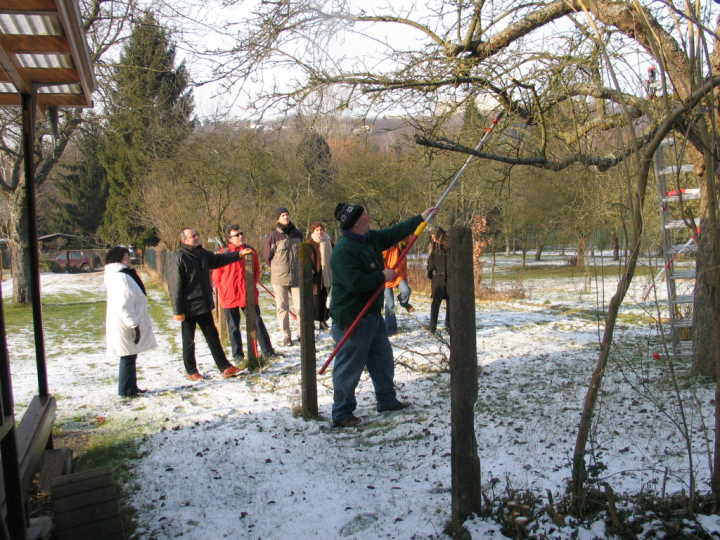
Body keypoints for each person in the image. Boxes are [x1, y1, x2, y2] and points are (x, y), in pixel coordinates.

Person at [329, 202, 435, 427]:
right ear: (357, 221)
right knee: (349, 368)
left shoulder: (368, 239)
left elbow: (393, 233)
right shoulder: (344, 250)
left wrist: (420, 218)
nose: (369, 215)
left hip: (372, 315)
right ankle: (342, 413)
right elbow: (354, 283)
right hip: (352, 318)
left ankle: (386, 400)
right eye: (365, 213)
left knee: (382, 360)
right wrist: (382, 276)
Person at [169, 228, 243, 381]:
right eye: (192, 236)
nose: (196, 238)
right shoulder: (179, 257)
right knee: (188, 340)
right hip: (188, 307)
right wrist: (178, 310)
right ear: (184, 240)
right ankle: (191, 371)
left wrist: (238, 254)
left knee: (213, 337)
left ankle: (225, 367)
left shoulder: (202, 253)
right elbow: (175, 285)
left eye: (197, 235)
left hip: (203, 304)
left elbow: (218, 260)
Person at [212, 225, 276, 365]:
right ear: (230, 238)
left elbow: (256, 271)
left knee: (257, 322)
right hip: (229, 296)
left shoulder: (250, 251)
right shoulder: (223, 254)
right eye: (237, 235)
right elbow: (216, 277)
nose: (240, 236)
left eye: (241, 233)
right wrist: (224, 289)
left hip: (247, 294)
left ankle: (267, 351)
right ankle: (237, 355)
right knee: (233, 326)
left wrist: (252, 286)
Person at [104, 246, 157, 398]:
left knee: (131, 355)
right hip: (125, 323)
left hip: (126, 321)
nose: (129, 260)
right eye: (127, 257)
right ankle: (126, 390)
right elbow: (123, 303)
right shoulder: (120, 276)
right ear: (119, 259)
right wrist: (133, 324)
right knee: (127, 356)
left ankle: (131, 387)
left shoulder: (118, 274)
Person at [265, 207, 303, 346]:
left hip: (297, 277)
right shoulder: (273, 236)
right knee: (282, 308)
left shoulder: (298, 234)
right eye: (282, 215)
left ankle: (302, 334)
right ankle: (286, 337)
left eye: (287, 214)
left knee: (300, 307)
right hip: (279, 278)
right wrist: (278, 268)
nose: (286, 217)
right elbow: (267, 257)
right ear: (278, 219)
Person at [381, 238, 414, 336]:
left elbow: (403, 268)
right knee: (390, 304)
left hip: (398, 276)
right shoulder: (386, 249)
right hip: (386, 278)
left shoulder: (402, 250)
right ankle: (391, 329)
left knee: (406, 290)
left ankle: (403, 302)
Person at [306, 222, 333, 330]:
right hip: (315, 275)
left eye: (321, 229)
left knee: (326, 298)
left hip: (327, 273)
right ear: (313, 231)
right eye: (317, 230)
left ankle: (323, 321)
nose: (319, 232)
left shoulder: (329, 241)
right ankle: (313, 321)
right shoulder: (309, 243)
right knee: (315, 300)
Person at [427, 227, 450, 334]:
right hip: (441, 280)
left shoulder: (445, 248)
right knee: (437, 304)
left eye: (434, 237)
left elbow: (430, 266)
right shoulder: (437, 248)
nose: (433, 239)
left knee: (442, 304)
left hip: (445, 279)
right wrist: (431, 273)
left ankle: (438, 327)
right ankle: (434, 327)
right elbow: (430, 265)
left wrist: (431, 273)